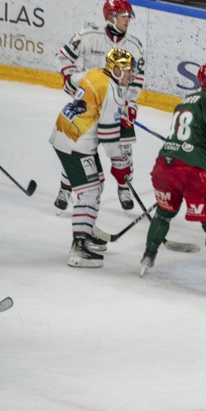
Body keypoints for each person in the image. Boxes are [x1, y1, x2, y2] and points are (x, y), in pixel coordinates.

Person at [139, 62, 206, 299]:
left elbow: (198, 133)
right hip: (191, 172)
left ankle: (147, 257)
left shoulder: (184, 101)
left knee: (164, 214)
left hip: (163, 166)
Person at [54, 0, 145, 214]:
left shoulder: (134, 46)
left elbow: (138, 78)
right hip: (88, 106)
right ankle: (66, 188)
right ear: (111, 17)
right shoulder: (88, 36)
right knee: (80, 149)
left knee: (123, 152)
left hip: (117, 107)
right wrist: (71, 81)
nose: (128, 20)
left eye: (128, 16)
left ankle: (124, 188)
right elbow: (63, 58)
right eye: (124, 16)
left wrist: (130, 103)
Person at [49, 48, 137, 268]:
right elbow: (108, 138)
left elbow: (69, 83)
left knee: (96, 183)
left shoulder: (95, 73)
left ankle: (85, 233)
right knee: (89, 191)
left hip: (64, 130)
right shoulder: (114, 92)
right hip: (76, 142)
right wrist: (121, 164)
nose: (131, 75)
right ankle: (79, 247)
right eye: (127, 71)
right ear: (116, 69)